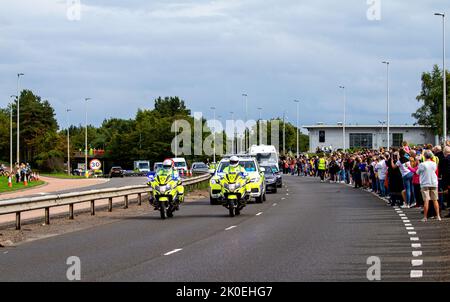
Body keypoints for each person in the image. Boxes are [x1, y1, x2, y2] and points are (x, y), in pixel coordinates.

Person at [417, 150, 441, 222]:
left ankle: (425, 217)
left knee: (426, 200)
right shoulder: (434, 164)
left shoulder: (422, 164)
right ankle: (438, 216)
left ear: (424, 156)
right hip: (433, 183)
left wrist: (418, 163)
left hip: (425, 183)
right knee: (435, 200)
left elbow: (417, 172)